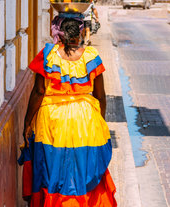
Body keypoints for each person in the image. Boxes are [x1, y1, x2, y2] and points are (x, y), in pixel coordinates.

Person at [18, 14, 117, 205]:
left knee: (54, 168)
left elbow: (38, 91)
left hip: (52, 120)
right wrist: (100, 121)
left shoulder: (48, 54)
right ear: (80, 33)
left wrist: (27, 122)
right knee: (82, 165)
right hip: (85, 119)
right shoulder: (91, 56)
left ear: (60, 35)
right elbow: (101, 95)